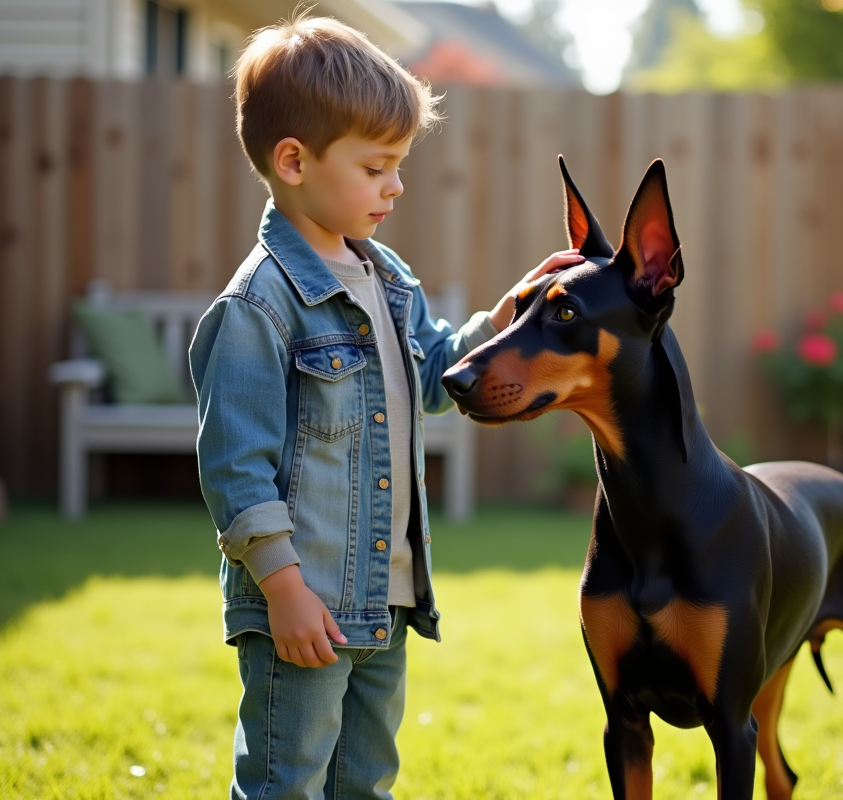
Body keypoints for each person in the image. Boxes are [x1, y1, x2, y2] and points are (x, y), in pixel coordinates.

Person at [188, 13, 584, 800]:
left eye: (399, 165)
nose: (396, 185)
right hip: (304, 607)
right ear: (293, 161)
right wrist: (285, 591)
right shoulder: (259, 308)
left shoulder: (387, 275)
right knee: (284, 784)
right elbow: (236, 470)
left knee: (366, 784)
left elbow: (438, 374)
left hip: (388, 601)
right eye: (377, 168)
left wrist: (506, 316)